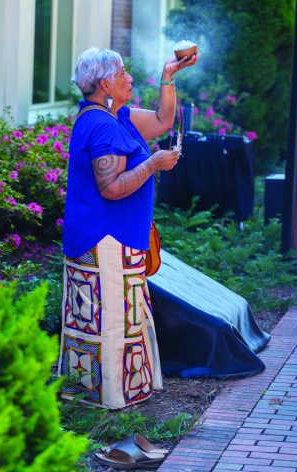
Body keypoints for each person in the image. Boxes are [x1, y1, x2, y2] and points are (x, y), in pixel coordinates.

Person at [59, 47, 197, 408]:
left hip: (109, 236)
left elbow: (162, 120)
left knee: (104, 316)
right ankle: (112, 396)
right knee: (113, 318)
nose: (130, 78)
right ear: (105, 83)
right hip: (105, 239)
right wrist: (153, 163)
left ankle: (96, 390)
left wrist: (168, 76)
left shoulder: (112, 114)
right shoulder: (103, 125)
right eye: (122, 74)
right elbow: (112, 187)